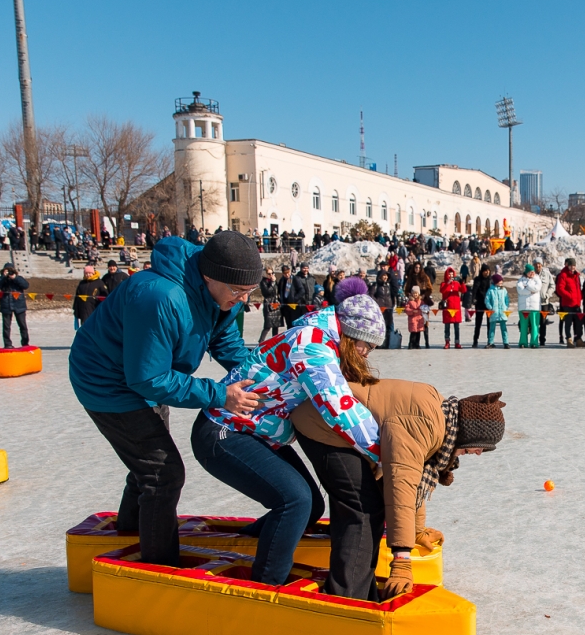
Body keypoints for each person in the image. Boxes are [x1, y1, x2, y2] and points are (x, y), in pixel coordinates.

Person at [68, 232, 261, 567]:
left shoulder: (222, 293)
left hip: (150, 371)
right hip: (106, 381)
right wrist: (218, 394)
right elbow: (148, 379)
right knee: (164, 473)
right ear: (209, 277)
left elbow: (226, 342)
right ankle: (157, 567)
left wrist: (264, 376)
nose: (244, 299)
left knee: (147, 465)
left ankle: (130, 531)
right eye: (238, 292)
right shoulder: (160, 296)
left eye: (250, 292)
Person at [193, 293, 387, 586]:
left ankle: (247, 545)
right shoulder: (313, 347)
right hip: (222, 430)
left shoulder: (323, 339)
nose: (367, 353)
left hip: (255, 432)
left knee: (311, 507)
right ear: (352, 335)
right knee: (295, 500)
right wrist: (382, 452)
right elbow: (339, 407)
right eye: (367, 345)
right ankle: (266, 583)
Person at [291, 384, 503, 600]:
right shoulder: (425, 424)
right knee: (363, 510)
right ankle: (346, 597)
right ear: (469, 431)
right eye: (480, 446)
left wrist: (416, 530)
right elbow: (400, 487)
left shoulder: (441, 417)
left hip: (337, 425)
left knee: (368, 506)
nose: (478, 453)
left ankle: (358, 586)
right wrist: (401, 562)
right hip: (324, 426)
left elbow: (414, 481)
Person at [0, 262, 30, 348]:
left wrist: (15, 278)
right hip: (6, 304)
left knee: (22, 325)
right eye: (7, 271)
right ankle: (7, 344)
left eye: (10, 271)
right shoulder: (2, 280)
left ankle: (25, 343)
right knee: (6, 326)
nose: (9, 273)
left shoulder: (18, 278)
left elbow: (26, 285)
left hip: (19, 304)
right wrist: (3, 277)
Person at [556, 258, 583, 347]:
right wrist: (570, 296)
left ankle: (578, 339)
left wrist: (580, 297)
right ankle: (569, 339)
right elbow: (560, 289)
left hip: (576, 303)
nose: (573, 268)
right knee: (568, 323)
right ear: (568, 266)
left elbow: (578, 288)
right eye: (571, 266)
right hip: (567, 304)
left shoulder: (577, 275)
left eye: (574, 266)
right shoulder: (563, 275)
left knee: (578, 322)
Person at [516, 264, 542, 348]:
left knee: (534, 326)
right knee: (523, 326)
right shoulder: (521, 280)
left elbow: (537, 288)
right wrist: (531, 291)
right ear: (526, 272)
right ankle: (523, 342)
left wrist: (527, 286)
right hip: (524, 307)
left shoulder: (537, 279)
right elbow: (520, 290)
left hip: (534, 307)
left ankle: (534, 342)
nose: (532, 273)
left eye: (533, 272)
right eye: (530, 272)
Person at [439, 267, 466, 349]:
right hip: (448, 308)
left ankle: (457, 342)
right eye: (449, 274)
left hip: (456, 308)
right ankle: (447, 342)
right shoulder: (443, 284)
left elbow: (464, 290)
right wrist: (448, 283)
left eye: (452, 274)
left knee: (456, 327)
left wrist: (462, 283)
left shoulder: (456, 284)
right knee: (447, 327)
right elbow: (442, 291)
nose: (451, 276)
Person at [74, 265, 106, 331]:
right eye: (86, 273)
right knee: (84, 328)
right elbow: (77, 296)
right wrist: (75, 310)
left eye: (89, 273)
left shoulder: (99, 283)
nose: (88, 275)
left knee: (94, 328)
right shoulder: (82, 283)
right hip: (83, 310)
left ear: (93, 273)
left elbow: (105, 296)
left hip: (94, 309)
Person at [370, 269, 397, 344]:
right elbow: (371, 295)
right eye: (383, 275)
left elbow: (393, 295)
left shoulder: (389, 285)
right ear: (380, 276)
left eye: (386, 275)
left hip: (389, 307)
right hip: (380, 308)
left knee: (390, 325)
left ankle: (390, 341)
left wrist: (393, 303)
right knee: (380, 325)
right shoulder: (376, 285)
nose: (385, 277)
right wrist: (377, 302)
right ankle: (379, 342)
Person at [258, 267, 284, 342]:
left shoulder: (274, 280)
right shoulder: (263, 282)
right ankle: (261, 341)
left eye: (272, 273)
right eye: (269, 274)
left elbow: (277, 290)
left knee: (276, 325)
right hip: (268, 304)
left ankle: (275, 341)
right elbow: (267, 292)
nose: (271, 275)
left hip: (276, 303)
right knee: (267, 325)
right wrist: (272, 282)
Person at [485, 273, 510, 349]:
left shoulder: (504, 290)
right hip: (494, 312)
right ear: (496, 282)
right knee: (492, 328)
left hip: (502, 312)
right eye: (500, 281)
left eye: (502, 281)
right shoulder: (490, 290)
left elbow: (507, 299)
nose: (501, 283)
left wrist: (505, 307)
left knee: (504, 328)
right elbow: (487, 300)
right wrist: (490, 307)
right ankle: (490, 342)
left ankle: (506, 342)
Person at [470, 265, 493, 347]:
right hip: (480, 303)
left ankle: (490, 341)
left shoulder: (491, 280)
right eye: (485, 271)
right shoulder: (478, 279)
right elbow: (474, 290)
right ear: (482, 271)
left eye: (488, 271)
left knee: (489, 323)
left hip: (489, 304)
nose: (487, 272)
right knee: (478, 323)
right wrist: (473, 300)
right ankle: (475, 340)